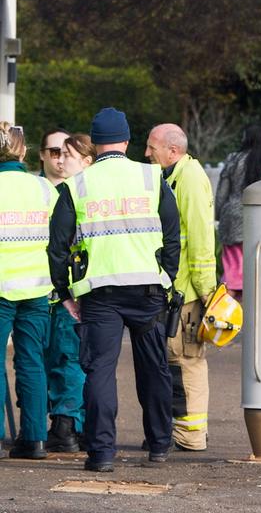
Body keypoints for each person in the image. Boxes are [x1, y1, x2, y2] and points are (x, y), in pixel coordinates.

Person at [48, 107, 181, 472]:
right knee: (154, 369)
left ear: (95, 142)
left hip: (99, 294)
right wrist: (166, 277)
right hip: (148, 292)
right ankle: (158, 445)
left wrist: (65, 293)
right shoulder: (152, 178)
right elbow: (173, 236)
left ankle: (102, 454)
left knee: (100, 372)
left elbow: (57, 246)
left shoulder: (76, 186)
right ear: (125, 140)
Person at [145, 123, 216, 452]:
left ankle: (191, 435)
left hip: (186, 291)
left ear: (172, 151)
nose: (147, 153)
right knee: (173, 361)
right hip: (175, 288)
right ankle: (179, 430)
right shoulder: (174, 176)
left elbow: (201, 238)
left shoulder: (188, 179)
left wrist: (206, 290)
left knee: (185, 361)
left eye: (152, 147)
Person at [0, 122, 54, 459]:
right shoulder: (45, 189)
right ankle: (34, 440)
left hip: (2, 286)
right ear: (23, 150)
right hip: (36, 286)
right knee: (32, 361)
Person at [37, 128, 87, 453]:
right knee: (43, 360)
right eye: (54, 152)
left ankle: (68, 425)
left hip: (70, 292)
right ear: (41, 155)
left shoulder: (81, 191)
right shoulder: (34, 191)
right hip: (39, 290)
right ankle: (57, 423)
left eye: (65, 152)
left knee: (70, 359)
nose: (59, 158)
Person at [215, 125, 261, 300]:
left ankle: (224, 318)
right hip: (260, 221)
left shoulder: (233, 160)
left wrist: (219, 215)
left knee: (232, 272)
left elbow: (221, 194)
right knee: (255, 270)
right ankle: (254, 318)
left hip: (233, 218)